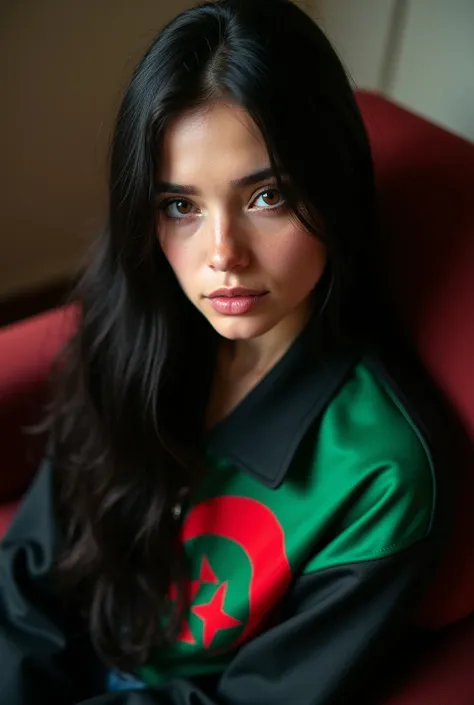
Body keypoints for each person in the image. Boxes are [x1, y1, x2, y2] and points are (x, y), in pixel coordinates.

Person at [0, 1, 449, 703]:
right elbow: (30, 563)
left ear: (333, 190)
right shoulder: (136, 324)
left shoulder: (380, 472)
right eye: (181, 205)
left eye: (266, 196)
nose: (221, 258)